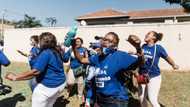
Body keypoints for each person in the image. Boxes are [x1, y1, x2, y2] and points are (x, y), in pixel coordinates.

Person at [73, 32, 144, 107]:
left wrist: (138, 48)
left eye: (109, 41)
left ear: (115, 45)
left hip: (116, 100)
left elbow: (140, 62)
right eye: (104, 39)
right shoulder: (98, 57)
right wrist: (74, 47)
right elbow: (81, 60)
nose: (105, 42)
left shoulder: (120, 56)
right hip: (100, 98)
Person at [6, 32, 67, 107]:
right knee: (49, 104)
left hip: (49, 86)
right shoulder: (56, 50)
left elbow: (36, 71)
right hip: (60, 84)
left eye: (40, 40)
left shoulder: (46, 52)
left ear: (43, 42)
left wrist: (15, 77)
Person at [139, 31, 179, 107]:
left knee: (152, 99)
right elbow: (140, 57)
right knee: (141, 97)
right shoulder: (143, 46)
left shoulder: (158, 48)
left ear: (153, 38)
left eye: (148, 34)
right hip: (142, 75)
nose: (146, 35)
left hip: (154, 76)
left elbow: (167, 58)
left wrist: (173, 65)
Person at [64, 37, 88, 103]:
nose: (77, 43)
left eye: (78, 41)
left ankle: (80, 95)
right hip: (72, 68)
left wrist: (85, 67)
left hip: (80, 69)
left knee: (80, 83)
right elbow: (65, 58)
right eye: (76, 41)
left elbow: (87, 58)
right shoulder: (71, 49)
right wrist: (64, 50)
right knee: (70, 82)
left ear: (81, 43)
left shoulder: (84, 49)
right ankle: (68, 92)